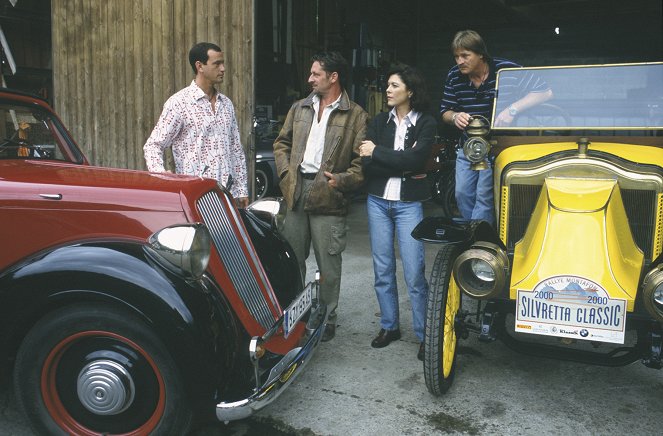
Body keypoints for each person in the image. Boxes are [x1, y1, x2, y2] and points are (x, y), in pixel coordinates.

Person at [273, 51, 367, 342]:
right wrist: (287, 174)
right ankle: (292, 314)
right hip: (297, 190)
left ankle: (327, 318)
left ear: (333, 77)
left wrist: (340, 181)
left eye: (315, 74)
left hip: (329, 193)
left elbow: (361, 161)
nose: (309, 79)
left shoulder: (356, 115)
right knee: (291, 258)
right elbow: (281, 143)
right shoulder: (300, 107)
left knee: (328, 264)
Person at [359, 65, 434, 361]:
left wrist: (378, 152)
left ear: (410, 91)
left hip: (408, 206)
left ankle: (425, 335)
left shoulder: (426, 123)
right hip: (377, 201)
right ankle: (389, 326)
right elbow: (367, 165)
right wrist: (398, 161)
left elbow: (417, 160)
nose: (387, 90)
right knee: (383, 269)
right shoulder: (379, 121)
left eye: (393, 86)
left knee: (415, 272)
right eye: (387, 85)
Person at [440, 30, 551, 223]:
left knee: (485, 197)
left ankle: (478, 243)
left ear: (481, 54)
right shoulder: (454, 75)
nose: (459, 61)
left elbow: (545, 93)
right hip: (470, 146)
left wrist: (512, 110)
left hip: (499, 145)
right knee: (462, 194)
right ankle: (476, 234)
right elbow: (445, 112)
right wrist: (455, 116)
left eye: (465, 55)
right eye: (456, 56)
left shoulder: (507, 70)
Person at [144, 42, 248, 207]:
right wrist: (161, 175)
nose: (223, 68)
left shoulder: (226, 104)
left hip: (227, 197)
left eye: (223, 63)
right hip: (195, 198)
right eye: (217, 64)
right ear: (200, 66)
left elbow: (236, 149)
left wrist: (242, 190)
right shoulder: (179, 103)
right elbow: (153, 145)